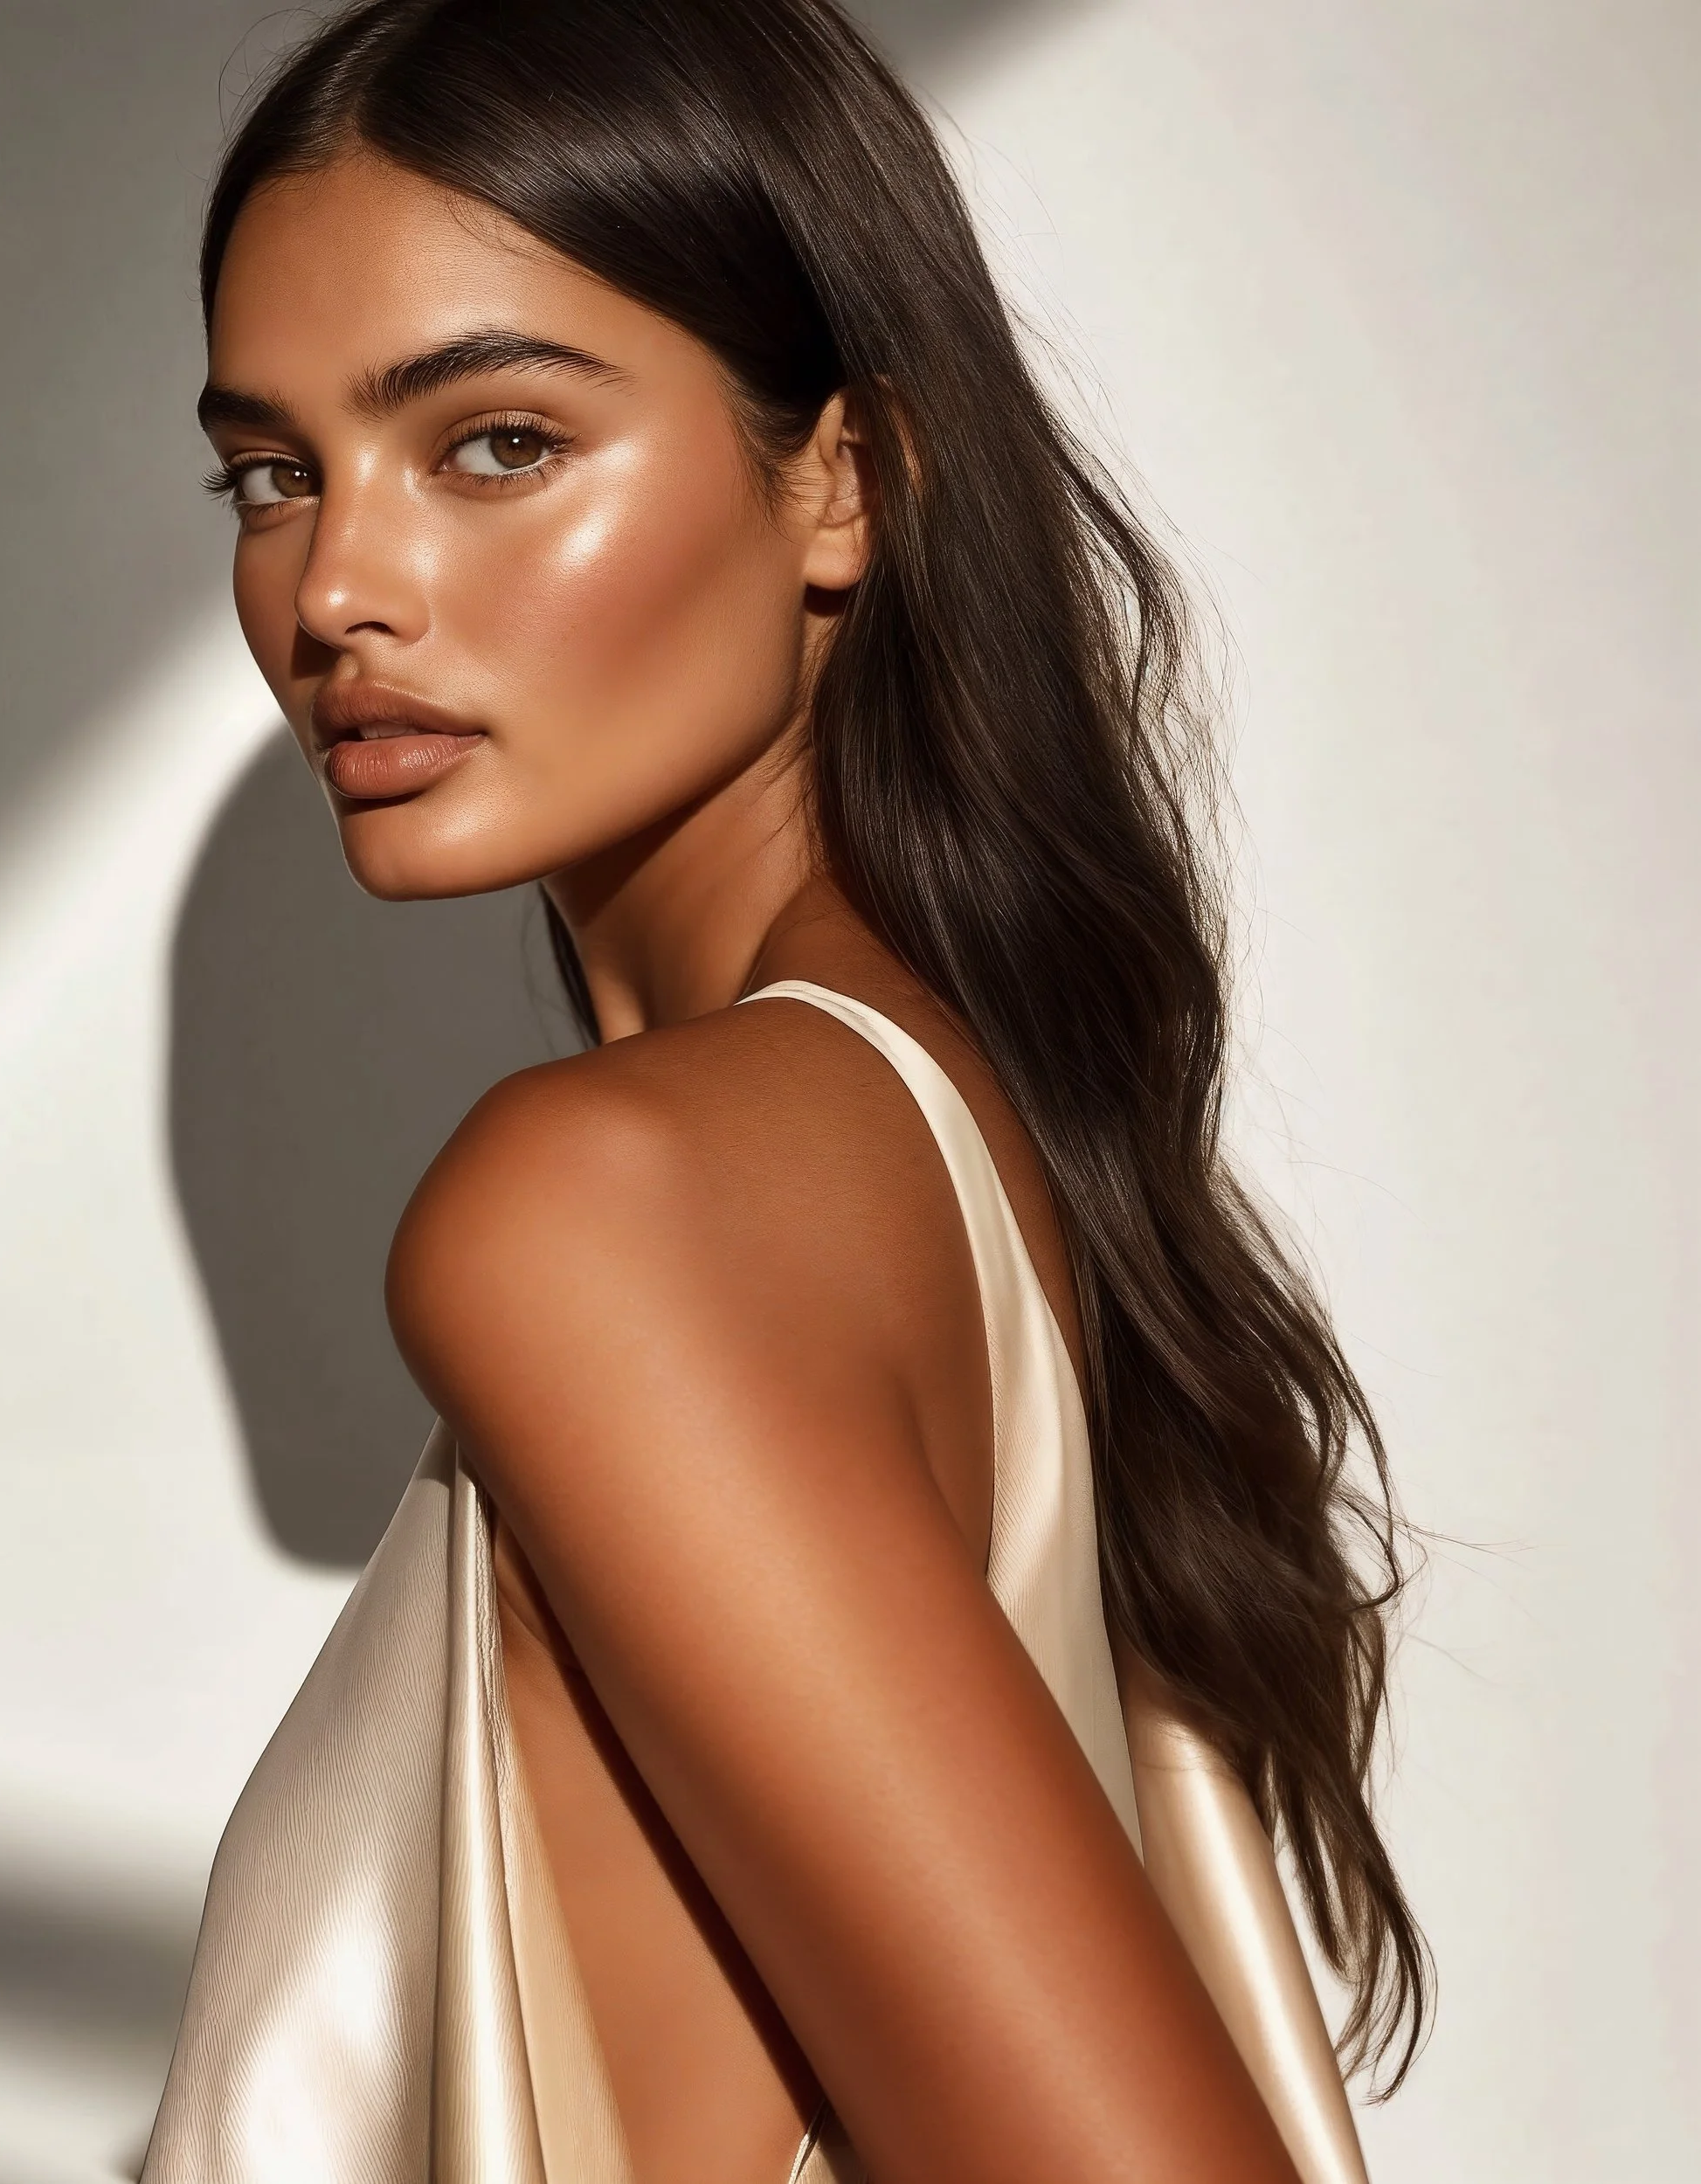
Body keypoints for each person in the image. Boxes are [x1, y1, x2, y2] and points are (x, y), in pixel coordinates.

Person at [143, 2, 1428, 2178]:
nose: (332, 589)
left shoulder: (613, 1204)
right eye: (274, 475)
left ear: (839, 476)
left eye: (492, 442)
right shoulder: (947, 1139)